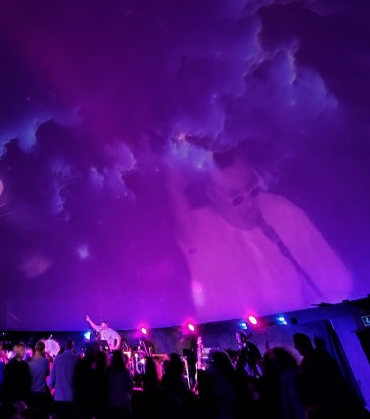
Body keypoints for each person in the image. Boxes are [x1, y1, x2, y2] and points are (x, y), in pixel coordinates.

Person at [168, 152, 351, 321]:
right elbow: (177, 202)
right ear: (212, 195)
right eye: (237, 199)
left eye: (253, 190)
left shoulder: (283, 211)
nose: (250, 204)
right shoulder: (199, 228)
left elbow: (334, 280)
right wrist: (175, 185)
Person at [50, 339, 79, 419]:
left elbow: (52, 378)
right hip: (72, 395)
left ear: (64, 346)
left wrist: (51, 386)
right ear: (73, 346)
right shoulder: (76, 359)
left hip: (59, 396)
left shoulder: (57, 359)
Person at [0, 343, 31, 408]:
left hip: (22, 396)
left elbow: (27, 380)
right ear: (17, 351)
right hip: (12, 396)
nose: (24, 352)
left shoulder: (25, 365)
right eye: (22, 350)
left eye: (24, 350)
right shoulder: (10, 365)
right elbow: (7, 382)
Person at [105, 351, 133, 418]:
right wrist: (128, 396)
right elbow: (130, 385)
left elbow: (105, 384)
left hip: (112, 401)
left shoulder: (108, 370)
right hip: (123, 402)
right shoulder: (125, 371)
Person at [27, 341, 51, 412]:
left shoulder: (29, 360)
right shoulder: (46, 361)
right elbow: (47, 373)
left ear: (35, 348)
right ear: (43, 349)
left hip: (31, 391)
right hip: (41, 391)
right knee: (40, 412)